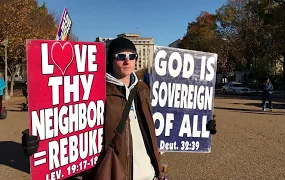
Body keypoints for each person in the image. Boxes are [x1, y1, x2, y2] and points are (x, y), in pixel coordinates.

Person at [21, 37, 217, 179]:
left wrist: (201, 126)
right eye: (120, 56)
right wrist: (39, 141)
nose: (127, 61)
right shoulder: (93, 90)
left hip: (149, 174)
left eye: (132, 56)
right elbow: (68, 123)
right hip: (114, 174)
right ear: (110, 60)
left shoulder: (143, 88)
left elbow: (168, 120)